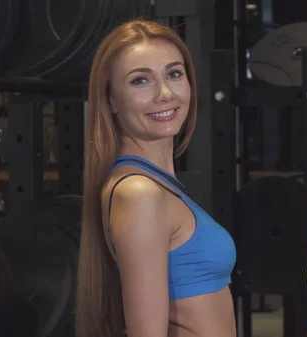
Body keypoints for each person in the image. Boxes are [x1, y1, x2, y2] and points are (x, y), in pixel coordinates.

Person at [75, 19, 237, 337]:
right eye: (140, 81)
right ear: (110, 99)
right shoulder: (139, 192)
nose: (164, 93)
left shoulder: (158, 187)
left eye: (174, 74)